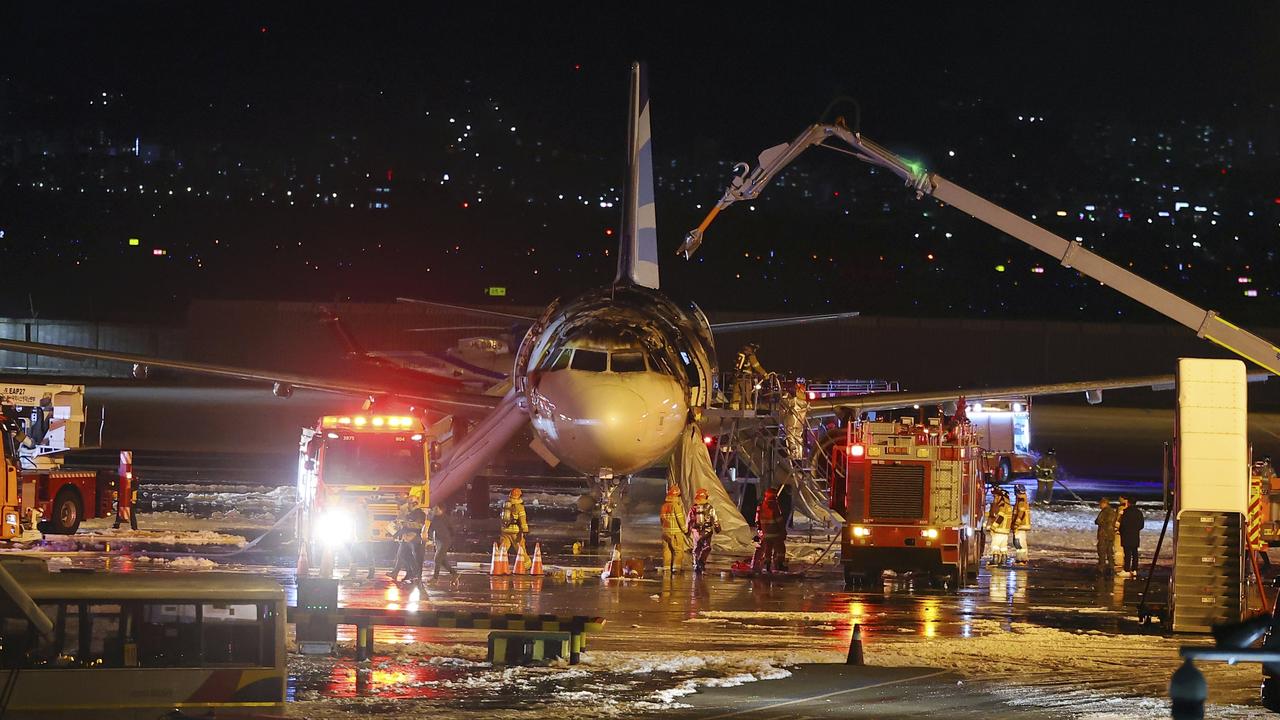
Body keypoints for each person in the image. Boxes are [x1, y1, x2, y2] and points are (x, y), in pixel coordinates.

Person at [686, 488, 721, 573]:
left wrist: (687, 530)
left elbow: (689, 520)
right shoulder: (710, 507)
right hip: (707, 531)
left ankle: (696, 564)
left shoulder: (693, 508)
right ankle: (701, 562)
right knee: (707, 547)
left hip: (696, 531)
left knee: (696, 548)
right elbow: (715, 519)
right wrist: (717, 528)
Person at [753, 487, 787, 573]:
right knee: (780, 549)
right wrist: (783, 531)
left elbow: (757, 519)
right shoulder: (775, 506)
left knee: (767, 550)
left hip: (766, 534)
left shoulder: (761, 505)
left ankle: (767, 565)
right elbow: (779, 520)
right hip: (775, 533)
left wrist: (760, 530)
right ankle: (779, 564)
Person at [393, 505, 427, 585]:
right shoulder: (409, 513)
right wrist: (397, 532)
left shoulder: (419, 513)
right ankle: (411, 574)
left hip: (415, 538)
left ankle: (417, 576)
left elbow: (419, 525)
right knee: (403, 555)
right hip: (407, 538)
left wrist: (406, 524)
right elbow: (404, 527)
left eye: (411, 503)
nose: (408, 506)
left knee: (417, 558)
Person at [659, 485, 689, 573]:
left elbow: (661, 519)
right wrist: (685, 530)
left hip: (665, 533)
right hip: (675, 533)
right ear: (677, 496)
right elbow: (680, 520)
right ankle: (676, 569)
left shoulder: (664, 506)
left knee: (667, 551)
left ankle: (667, 568)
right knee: (678, 551)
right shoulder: (676, 506)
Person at [731, 343, 768, 410]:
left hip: (737, 377)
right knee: (747, 394)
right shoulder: (751, 356)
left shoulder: (739, 354)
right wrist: (764, 374)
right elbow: (756, 366)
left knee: (736, 393)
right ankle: (748, 409)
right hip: (746, 379)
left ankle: (734, 408)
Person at [428, 504, 458, 580]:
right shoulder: (433, 518)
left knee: (437, 558)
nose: (435, 510)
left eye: (436, 509)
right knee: (442, 560)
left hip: (445, 540)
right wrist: (430, 538)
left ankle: (435, 578)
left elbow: (452, 529)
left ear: (441, 510)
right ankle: (454, 573)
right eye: (434, 509)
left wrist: (451, 538)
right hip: (438, 540)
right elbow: (430, 528)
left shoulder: (445, 518)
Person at [498, 488, 529, 557]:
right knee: (520, 548)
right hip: (515, 531)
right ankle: (526, 565)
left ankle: (498, 562)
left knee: (503, 547)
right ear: (519, 496)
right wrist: (525, 530)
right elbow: (522, 520)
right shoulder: (519, 507)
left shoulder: (505, 504)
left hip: (505, 530)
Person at [1118, 497, 1144, 578]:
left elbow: (1122, 525)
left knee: (1127, 554)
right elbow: (1141, 525)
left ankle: (1126, 569)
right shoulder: (1139, 513)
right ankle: (1134, 569)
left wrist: (1121, 531)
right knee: (1135, 553)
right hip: (1135, 536)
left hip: (1126, 535)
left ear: (1128, 503)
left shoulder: (1126, 512)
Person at [987, 489, 1012, 566]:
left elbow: (1000, 517)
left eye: (995, 496)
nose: (995, 498)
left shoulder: (1002, 506)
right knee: (1003, 547)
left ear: (1000, 497)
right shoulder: (1008, 506)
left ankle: (995, 560)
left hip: (998, 530)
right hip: (1005, 531)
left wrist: (993, 527)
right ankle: (1003, 561)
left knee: (995, 546)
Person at [1094, 497, 1118, 576]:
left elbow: (1099, 521)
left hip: (1104, 535)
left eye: (1100, 504)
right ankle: (1111, 567)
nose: (1099, 506)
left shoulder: (1105, 512)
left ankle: (1101, 568)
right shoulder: (1113, 512)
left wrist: (1098, 522)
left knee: (1102, 552)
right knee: (1109, 552)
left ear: (1104, 503)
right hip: (1110, 535)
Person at [1010, 486, 1031, 565]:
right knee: (1019, 542)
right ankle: (1021, 558)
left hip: (1020, 526)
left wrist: (1016, 524)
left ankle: (1022, 559)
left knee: (1019, 543)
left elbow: (1021, 514)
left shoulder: (1021, 500)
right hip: (1021, 525)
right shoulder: (1022, 499)